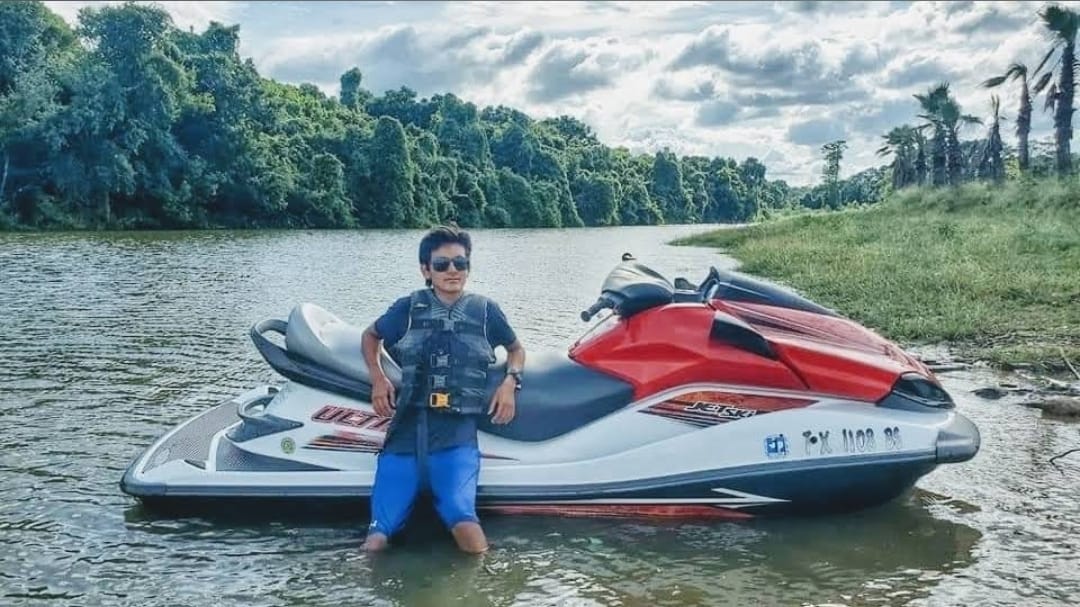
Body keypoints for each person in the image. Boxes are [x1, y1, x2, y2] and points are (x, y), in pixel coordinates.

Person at [360, 225, 525, 554]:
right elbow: (370, 336)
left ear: (468, 267)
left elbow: (516, 349)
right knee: (377, 538)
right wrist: (378, 377)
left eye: (460, 263)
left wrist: (511, 381)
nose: (452, 271)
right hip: (406, 432)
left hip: (455, 434)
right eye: (442, 264)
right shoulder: (406, 309)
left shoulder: (486, 311)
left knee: (465, 524)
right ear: (426, 269)